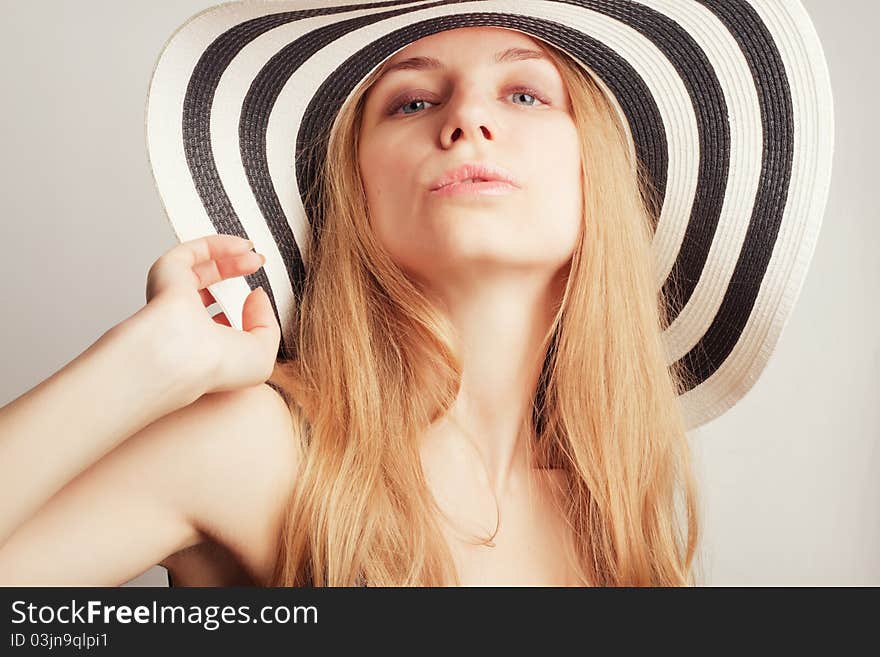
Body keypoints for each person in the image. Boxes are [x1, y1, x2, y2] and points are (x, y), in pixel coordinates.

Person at [0, 0, 834, 587]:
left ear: (598, 177)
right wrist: (152, 358)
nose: (466, 119)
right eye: (413, 100)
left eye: (523, 92)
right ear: (358, 187)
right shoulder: (264, 449)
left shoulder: (614, 516)